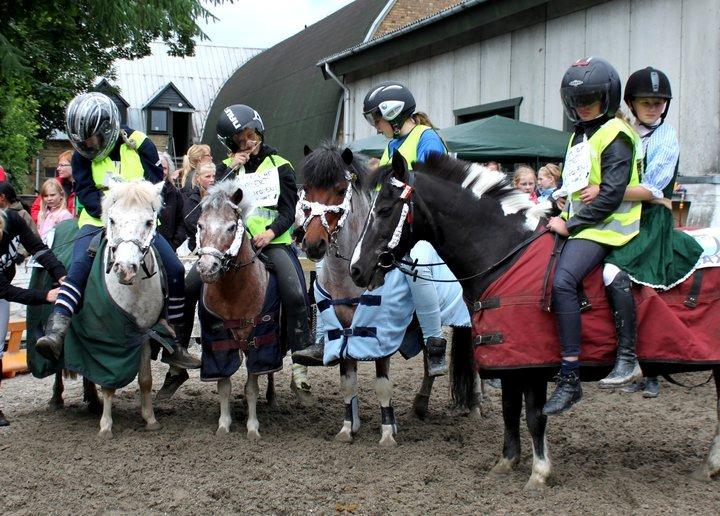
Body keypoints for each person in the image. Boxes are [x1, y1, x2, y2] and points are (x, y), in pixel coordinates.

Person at [35, 92, 199, 370]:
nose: (90, 145)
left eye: (94, 139)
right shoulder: (81, 157)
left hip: (138, 221)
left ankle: (174, 340)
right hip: (98, 219)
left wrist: (133, 210)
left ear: (108, 129)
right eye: (84, 140)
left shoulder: (140, 143)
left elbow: (154, 179)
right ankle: (58, 328)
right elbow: (85, 191)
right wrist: (111, 212)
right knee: (78, 266)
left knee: (174, 268)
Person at [576, 67, 702, 393]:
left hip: (650, 218)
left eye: (659, 103)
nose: (654, 108)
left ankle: (628, 356)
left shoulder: (666, 137)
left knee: (612, 272)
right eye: (647, 102)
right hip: (618, 214)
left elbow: (649, 189)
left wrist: (602, 187)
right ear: (631, 103)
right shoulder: (624, 130)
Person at [542, 57, 642, 416]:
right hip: (582, 219)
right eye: (577, 102)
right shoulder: (579, 134)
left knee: (564, 281)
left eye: (591, 101)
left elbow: (612, 195)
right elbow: (578, 184)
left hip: (609, 227)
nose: (583, 108)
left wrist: (571, 225)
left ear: (609, 98)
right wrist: (559, 205)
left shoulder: (616, 135)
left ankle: (570, 376)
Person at [211, 104, 320, 365]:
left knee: (295, 292)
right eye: (241, 139)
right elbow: (213, 204)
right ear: (231, 144)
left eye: (252, 135)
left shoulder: (281, 165)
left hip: (273, 242)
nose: (249, 142)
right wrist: (231, 169)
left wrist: (271, 233)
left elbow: (288, 209)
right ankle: (183, 343)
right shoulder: (224, 168)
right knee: (193, 282)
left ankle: (301, 345)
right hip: (231, 244)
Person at [0, 207, 68, 426]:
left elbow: (38, 249)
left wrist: (61, 274)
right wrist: (44, 295)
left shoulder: (12, 219)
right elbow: (6, 290)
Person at [361, 81, 447, 169]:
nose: (377, 128)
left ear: (393, 113)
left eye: (377, 121)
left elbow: (429, 181)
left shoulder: (428, 139)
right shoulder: (391, 145)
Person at [31, 150, 78, 223]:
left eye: (62, 165)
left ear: (74, 165)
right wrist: (48, 221)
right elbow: (36, 209)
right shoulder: (54, 185)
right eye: (58, 165)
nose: (58, 168)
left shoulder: (84, 186)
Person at [182, 162, 215, 251]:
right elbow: (193, 226)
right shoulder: (192, 200)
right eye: (208, 176)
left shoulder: (216, 198)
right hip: (198, 247)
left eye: (213, 176)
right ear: (198, 179)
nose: (212, 179)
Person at [157, 152, 186, 251]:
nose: (162, 171)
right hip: (145, 247)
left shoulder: (174, 193)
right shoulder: (143, 192)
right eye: (159, 167)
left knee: (177, 267)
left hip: (168, 248)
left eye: (165, 168)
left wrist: (174, 244)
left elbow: (182, 221)